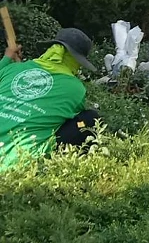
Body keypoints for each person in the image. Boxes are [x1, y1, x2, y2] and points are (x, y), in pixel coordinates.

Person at [0, 27, 98, 170]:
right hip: (22, 163)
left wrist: (7, 58)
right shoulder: (76, 89)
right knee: (90, 118)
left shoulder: (12, 69)